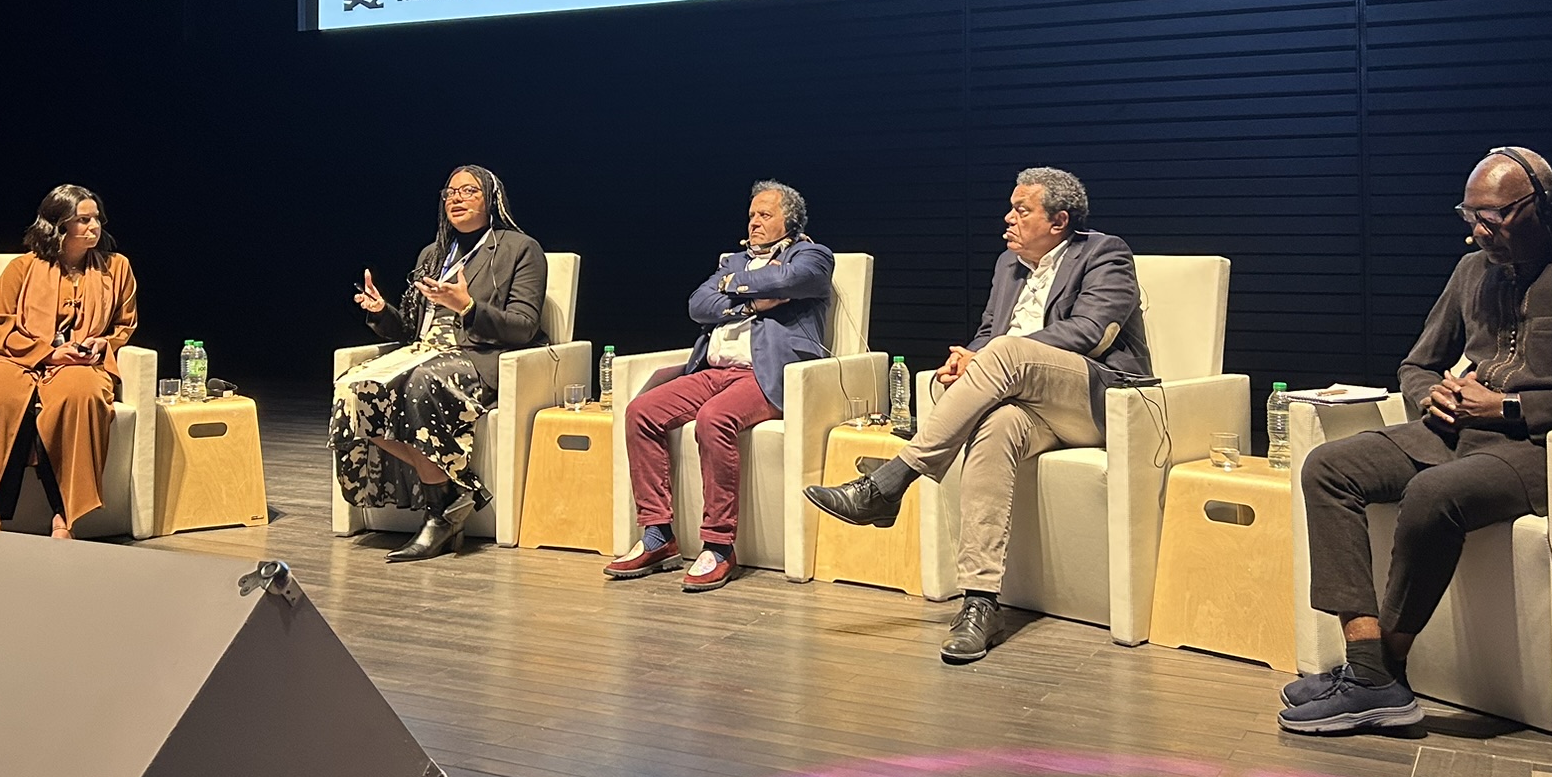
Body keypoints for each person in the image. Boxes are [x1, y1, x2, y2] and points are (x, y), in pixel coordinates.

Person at [1278, 147, 1552, 734]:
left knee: (1433, 495)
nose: (1479, 233)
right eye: (1470, 216)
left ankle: (1376, 674)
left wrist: (1512, 406)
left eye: (1494, 217)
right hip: (1451, 433)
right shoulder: (1471, 272)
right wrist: (1427, 395)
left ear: (1540, 206)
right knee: (1327, 468)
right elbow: (1415, 364)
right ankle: (1368, 667)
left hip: (1540, 449)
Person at [806, 167, 1148, 663]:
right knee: (994, 426)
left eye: (1021, 210)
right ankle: (981, 602)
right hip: (1029, 406)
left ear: (1059, 221)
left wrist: (989, 357)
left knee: (1006, 354)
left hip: (1099, 400)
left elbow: (1093, 332)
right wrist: (966, 355)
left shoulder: (1104, 253)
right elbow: (990, 332)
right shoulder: (1007, 267)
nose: (1007, 218)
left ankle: (892, 481)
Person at [605, 180, 834, 592]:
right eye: (751, 216)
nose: (755, 222)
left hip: (766, 375)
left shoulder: (813, 255)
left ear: (791, 220)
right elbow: (698, 305)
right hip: (712, 371)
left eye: (765, 215)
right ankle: (658, 534)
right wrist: (747, 300)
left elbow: (790, 281)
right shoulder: (737, 260)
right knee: (642, 413)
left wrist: (733, 284)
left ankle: (719, 545)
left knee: (714, 419)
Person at [335, 164, 548, 562]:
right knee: (351, 389)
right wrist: (382, 311)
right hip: (425, 352)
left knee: (421, 381)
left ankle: (438, 516)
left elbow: (522, 327)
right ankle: (453, 492)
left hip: (479, 356)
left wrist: (466, 306)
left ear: (491, 199)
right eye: (450, 193)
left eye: (468, 191)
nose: (456, 199)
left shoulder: (520, 249)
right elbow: (411, 329)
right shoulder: (433, 254)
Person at [0, 184, 138, 537]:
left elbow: (124, 325)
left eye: (96, 219)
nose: (94, 227)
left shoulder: (118, 268)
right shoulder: (21, 269)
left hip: (80, 365)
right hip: (15, 357)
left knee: (79, 397)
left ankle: (64, 517)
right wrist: (49, 353)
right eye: (83, 220)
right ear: (59, 226)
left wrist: (103, 344)